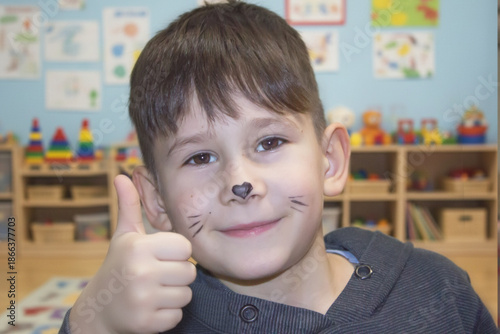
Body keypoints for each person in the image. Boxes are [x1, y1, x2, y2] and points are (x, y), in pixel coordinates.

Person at [60, 1, 498, 333]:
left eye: (269, 142)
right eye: (199, 157)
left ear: (330, 160)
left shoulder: (440, 289)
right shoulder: (142, 324)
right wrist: (91, 320)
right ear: (155, 199)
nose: (241, 183)